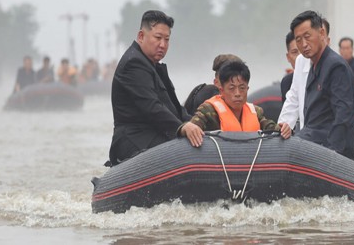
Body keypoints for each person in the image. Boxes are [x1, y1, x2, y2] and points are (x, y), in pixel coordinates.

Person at [108, 10, 191, 166]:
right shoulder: (133, 63)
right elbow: (152, 107)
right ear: (141, 36)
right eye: (158, 38)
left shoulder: (152, 65)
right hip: (134, 139)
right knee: (186, 151)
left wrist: (195, 123)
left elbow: (173, 107)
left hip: (153, 134)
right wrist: (181, 128)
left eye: (167, 39)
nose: (163, 45)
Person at [290, 10, 354, 160]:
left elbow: (343, 115)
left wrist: (332, 154)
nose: (304, 44)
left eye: (307, 37)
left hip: (328, 149)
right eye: (298, 40)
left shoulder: (335, 67)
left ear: (321, 33)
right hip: (310, 141)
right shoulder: (314, 67)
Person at [179, 61, 292, 147]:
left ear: (247, 89)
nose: (237, 94)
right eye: (231, 88)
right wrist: (186, 128)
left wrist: (284, 129)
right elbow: (193, 128)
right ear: (221, 90)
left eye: (242, 88)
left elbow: (272, 128)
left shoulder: (256, 112)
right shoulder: (208, 110)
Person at [278, 18, 331, 130]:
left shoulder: (336, 66)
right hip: (307, 136)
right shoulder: (301, 62)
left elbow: (342, 113)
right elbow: (293, 99)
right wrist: (282, 128)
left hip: (329, 136)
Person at [280, 31, 300, 103]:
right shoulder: (286, 82)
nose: (300, 57)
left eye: (302, 51)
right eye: (295, 52)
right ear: (288, 57)